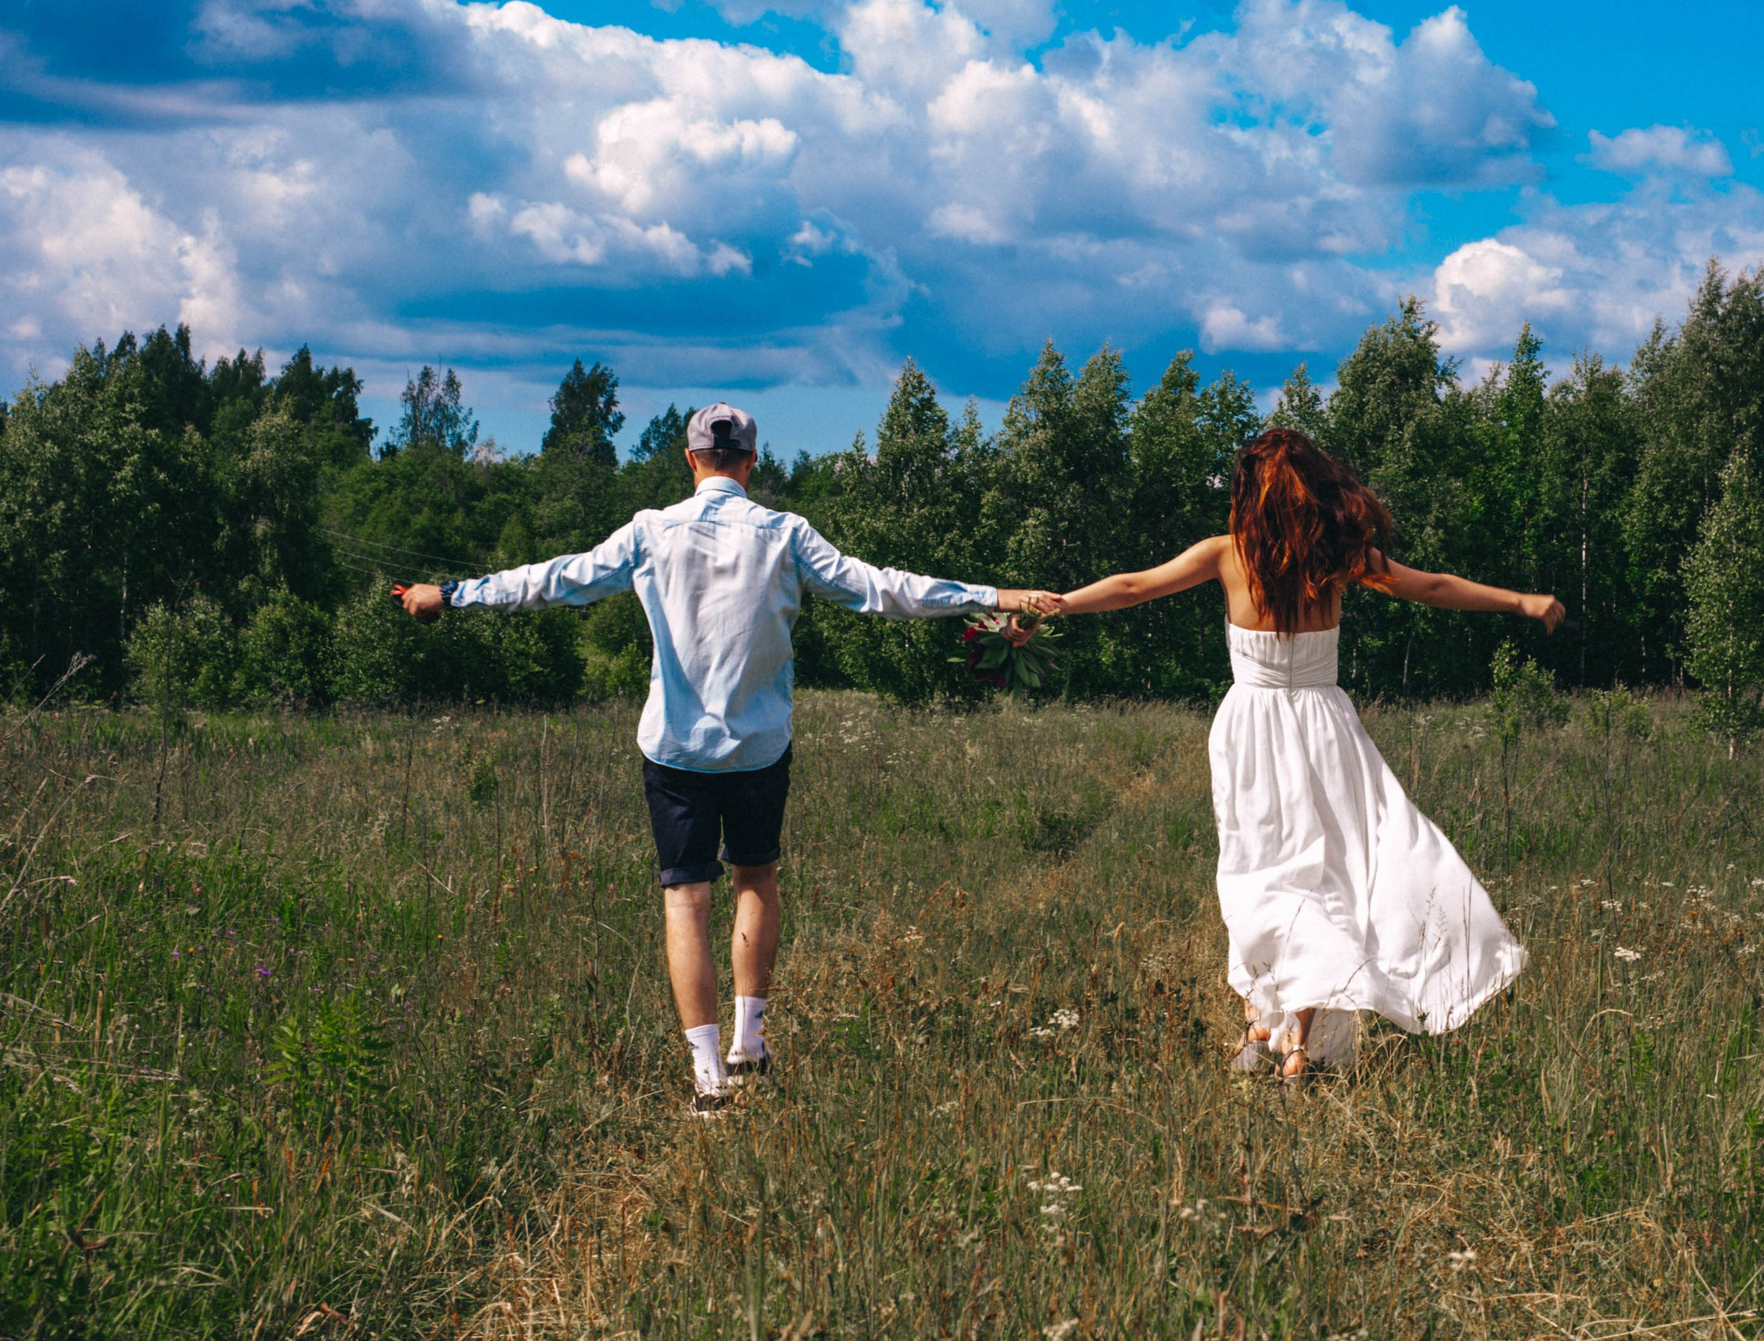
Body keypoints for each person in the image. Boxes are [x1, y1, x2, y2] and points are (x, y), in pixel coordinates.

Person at [399, 403, 1061, 1115]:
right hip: (757, 748)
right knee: (756, 877)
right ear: (751, 462)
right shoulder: (785, 533)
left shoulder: (650, 530)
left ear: (690, 461)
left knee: (687, 899)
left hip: (677, 749)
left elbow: (553, 578)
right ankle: (751, 1045)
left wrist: (453, 595)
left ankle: (708, 1079)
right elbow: (883, 588)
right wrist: (998, 596)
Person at [1053, 428, 1561, 1082]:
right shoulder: (1338, 557)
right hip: (1326, 725)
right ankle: (1293, 1038)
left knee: (1257, 876)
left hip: (1251, 727)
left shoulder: (1227, 554)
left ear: (1250, 494)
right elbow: (1432, 586)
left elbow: (1129, 585)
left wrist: (1057, 603)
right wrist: (1520, 600)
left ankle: (1263, 1023)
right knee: (1330, 879)